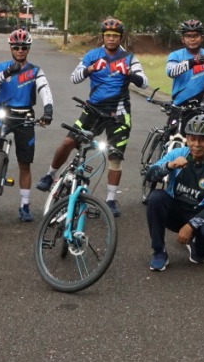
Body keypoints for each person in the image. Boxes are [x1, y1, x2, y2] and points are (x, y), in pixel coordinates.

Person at [36, 17, 147, 218]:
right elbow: (74, 77)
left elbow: (144, 83)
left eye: (115, 36)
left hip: (119, 113)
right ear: (102, 37)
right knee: (69, 141)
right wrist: (90, 69)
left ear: (121, 37)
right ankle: (49, 175)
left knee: (115, 157)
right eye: (108, 35)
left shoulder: (129, 58)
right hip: (93, 110)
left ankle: (111, 199)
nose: (111, 39)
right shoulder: (92, 55)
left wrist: (129, 74)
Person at [0, 29, 53, 222]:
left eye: (24, 47)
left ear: (28, 49)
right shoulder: (2, 66)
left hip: (25, 117)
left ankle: (24, 205)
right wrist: (7, 72)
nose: (20, 50)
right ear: (11, 48)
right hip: (3, 114)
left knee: (25, 164)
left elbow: (45, 90)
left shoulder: (35, 70)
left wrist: (48, 111)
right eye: (16, 47)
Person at [142, 113, 204, 270]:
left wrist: (190, 226)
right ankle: (158, 251)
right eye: (192, 139)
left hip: (199, 213)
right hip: (175, 210)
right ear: (187, 139)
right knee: (155, 198)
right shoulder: (178, 154)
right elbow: (149, 175)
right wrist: (169, 166)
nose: (196, 144)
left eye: (202, 139)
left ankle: (198, 248)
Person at [165, 19, 204, 108]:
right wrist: (192, 62)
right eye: (188, 36)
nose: (192, 39)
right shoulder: (175, 55)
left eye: (196, 36)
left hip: (202, 107)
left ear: (202, 38)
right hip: (179, 106)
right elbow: (171, 72)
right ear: (182, 39)